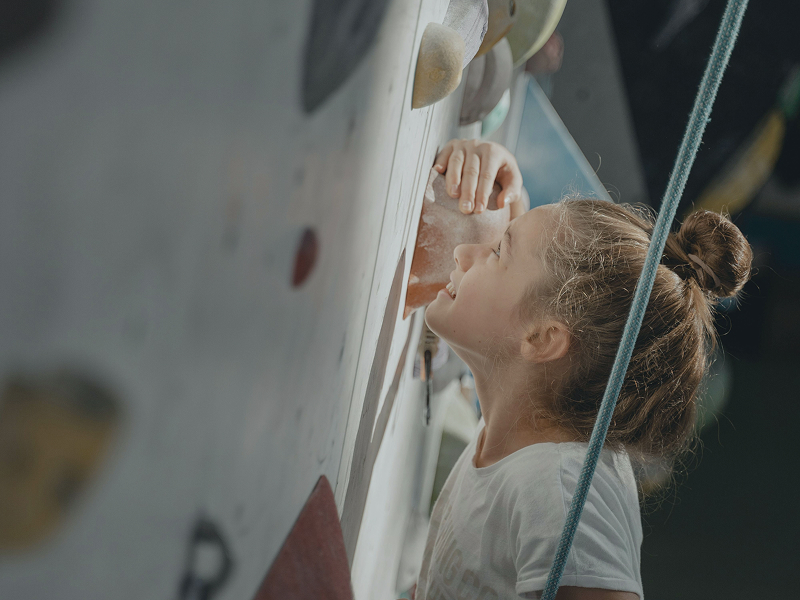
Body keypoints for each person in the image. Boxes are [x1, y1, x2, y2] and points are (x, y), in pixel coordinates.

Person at [412, 139, 753, 599]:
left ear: (543, 338)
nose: (463, 255)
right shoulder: (529, 420)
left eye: (496, 252)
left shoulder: (560, 491)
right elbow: (528, 279)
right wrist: (498, 174)